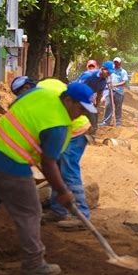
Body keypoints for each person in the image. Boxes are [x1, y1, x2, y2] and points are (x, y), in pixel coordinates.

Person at [0, 83, 96, 275]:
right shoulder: (59, 125)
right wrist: (63, 192)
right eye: (80, 108)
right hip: (11, 165)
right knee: (30, 213)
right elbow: (49, 164)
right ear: (68, 100)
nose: (81, 114)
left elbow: (14, 110)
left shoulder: (39, 93)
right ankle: (34, 264)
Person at [37, 78, 92, 230]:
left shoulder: (43, 93)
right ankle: (58, 211)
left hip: (75, 132)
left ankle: (82, 216)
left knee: (69, 173)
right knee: (58, 171)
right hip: (68, 130)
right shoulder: (48, 87)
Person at [74, 60, 114, 133]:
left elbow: (99, 93)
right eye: (108, 72)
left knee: (94, 117)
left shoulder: (103, 81)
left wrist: (96, 105)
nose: (109, 74)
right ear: (102, 69)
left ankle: (91, 135)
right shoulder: (89, 75)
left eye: (110, 73)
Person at [101, 57, 128, 127]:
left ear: (120, 63)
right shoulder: (110, 71)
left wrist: (115, 85)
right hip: (109, 91)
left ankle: (118, 123)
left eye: (117, 62)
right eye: (115, 62)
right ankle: (106, 122)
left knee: (118, 108)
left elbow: (124, 82)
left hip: (119, 92)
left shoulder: (123, 72)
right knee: (108, 106)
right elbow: (106, 78)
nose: (116, 64)